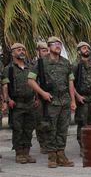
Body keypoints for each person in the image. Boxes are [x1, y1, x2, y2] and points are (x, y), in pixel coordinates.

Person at [28, 36, 76, 168]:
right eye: (55, 44)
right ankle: (52, 157)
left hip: (64, 100)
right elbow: (30, 81)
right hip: (50, 101)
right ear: (49, 47)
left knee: (63, 129)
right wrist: (42, 93)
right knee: (50, 129)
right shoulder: (41, 63)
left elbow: (70, 81)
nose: (58, 46)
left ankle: (61, 154)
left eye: (59, 44)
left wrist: (73, 100)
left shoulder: (66, 62)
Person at [2, 43, 36, 164]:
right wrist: (8, 100)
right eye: (18, 50)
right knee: (18, 129)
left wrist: (36, 98)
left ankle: (26, 153)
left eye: (23, 50)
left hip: (30, 103)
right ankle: (19, 154)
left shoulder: (31, 67)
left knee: (29, 128)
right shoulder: (8, 69)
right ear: (12, 53)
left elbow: (35, 84)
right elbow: (5, 85)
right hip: (16, 104)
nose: (21, 51)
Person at [72, 42, 91, 154]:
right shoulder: (75, 65)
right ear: (79, 51)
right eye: (84, 48)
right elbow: (70, 83)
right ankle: (83, 147)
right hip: (82, 98)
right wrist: (77, 96)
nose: (87, 50)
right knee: (82, 123)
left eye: (88, 48)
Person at [33, 41, 50, 152]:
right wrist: (36, 97)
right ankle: (43, 144)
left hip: (51, 96)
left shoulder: (51, 64)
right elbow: (32, 82)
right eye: (43, 51)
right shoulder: (35, 65)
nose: (46, 53)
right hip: (39, 97)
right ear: (38, 52)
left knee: (50, 121)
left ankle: (50, 143)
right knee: (40, 121)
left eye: (47, 50)